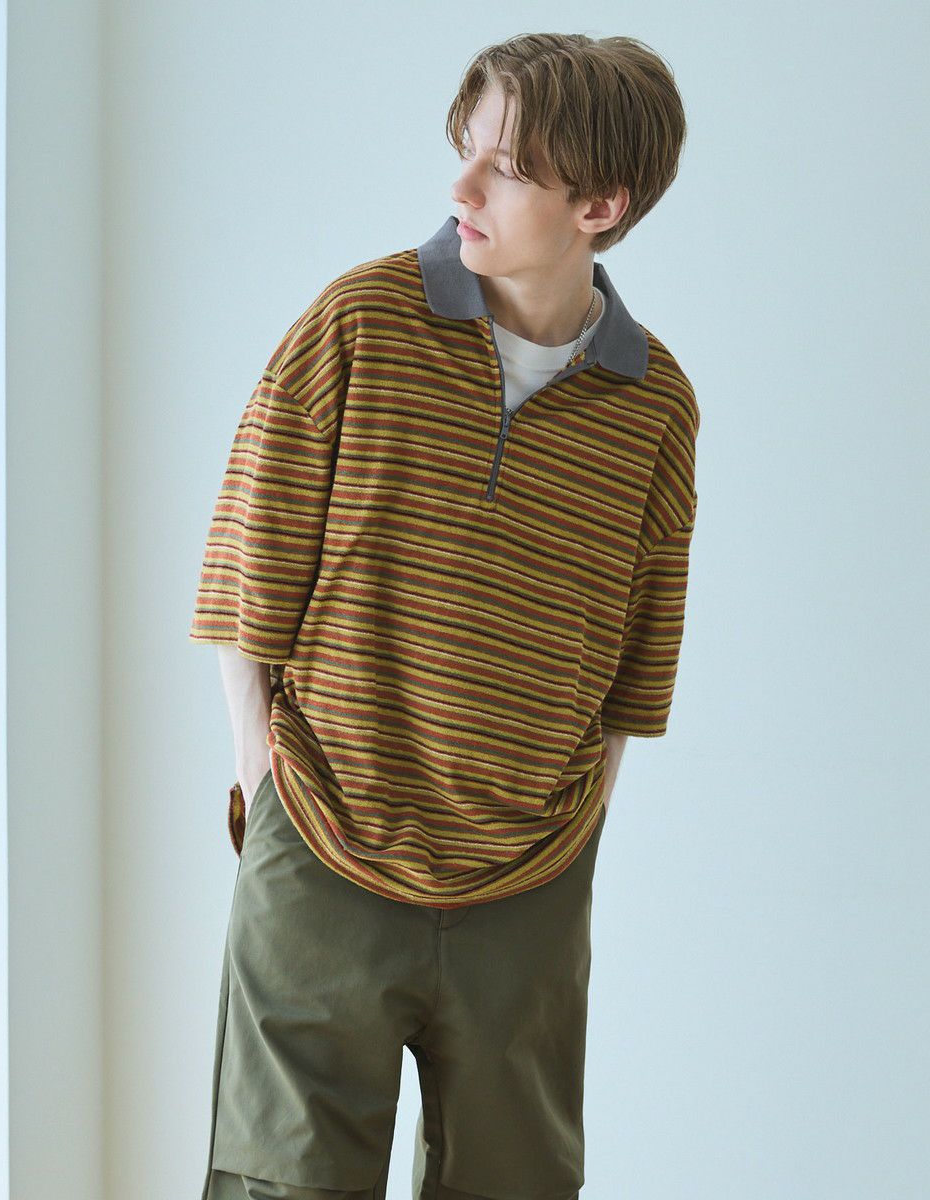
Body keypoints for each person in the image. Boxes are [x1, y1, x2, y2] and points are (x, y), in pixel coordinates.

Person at [190, 30, 698, 1200]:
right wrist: (266, 782)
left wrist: (575, 825)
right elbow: (244, 576)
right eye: (466, 150)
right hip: (321, 843)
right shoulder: (360, 323)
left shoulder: (654, 405)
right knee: (281, 1183)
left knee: (514, 1184)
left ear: (599, 207)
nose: (460, 186)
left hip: (529, 880)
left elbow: (639, 657)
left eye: (505, 168)